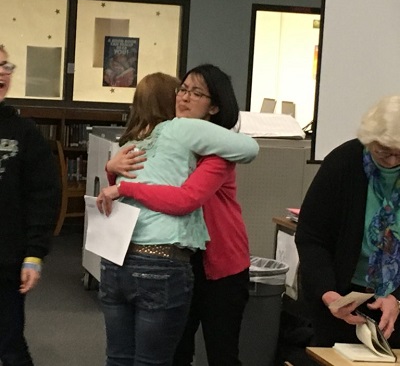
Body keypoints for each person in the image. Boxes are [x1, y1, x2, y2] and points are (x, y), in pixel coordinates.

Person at [96, 70, 259, 366]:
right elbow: (133, 178)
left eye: (196, 93)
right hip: (175, 256)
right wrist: (112, 166)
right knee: (174, 354)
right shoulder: (165, 137)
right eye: (182, 89)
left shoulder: (218, 153)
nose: (184, 97)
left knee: (221, 354)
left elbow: (186, 199)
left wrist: (123, 185)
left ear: (214, 106)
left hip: (218, 265)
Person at [295, 95, 400, 348]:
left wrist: (396, 297)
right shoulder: (343, 163)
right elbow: (312, 237)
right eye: (384, 153)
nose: (393, 162)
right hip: (342, 299)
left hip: (394, 305)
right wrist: (329, 294)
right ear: (369, 140)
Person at [0, 45, 60, 365]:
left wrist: (34, 254)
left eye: (5, 65)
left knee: (9, 345)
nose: (2, 72)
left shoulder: (24, 132)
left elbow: (44, 195)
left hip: (6, 262)